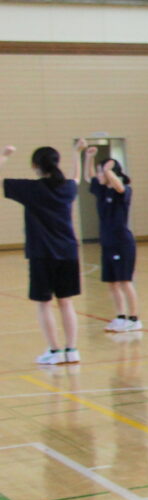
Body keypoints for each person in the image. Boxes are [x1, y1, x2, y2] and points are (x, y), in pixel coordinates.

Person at [2, 143, 82, 365]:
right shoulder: (67, 187)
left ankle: (55, 351)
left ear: (35, 165)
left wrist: (4, 156)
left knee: (44, 303)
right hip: (68, 252)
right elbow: (76, 178)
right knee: (66, 302)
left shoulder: (31, 189)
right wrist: (76, 153)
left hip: (42, 253)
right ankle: (72, 349)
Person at [78, 139, 142, 332]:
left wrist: (108, 168)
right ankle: (120, 317)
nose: (99, 174)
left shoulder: (123, 191)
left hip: (122, 242)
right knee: (112, 283)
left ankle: (134, 319)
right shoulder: (102, 190)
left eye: (102, 171)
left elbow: (119, 186)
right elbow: (89, 178)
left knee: (125, 281)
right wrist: (88, 158)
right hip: (107, 242)